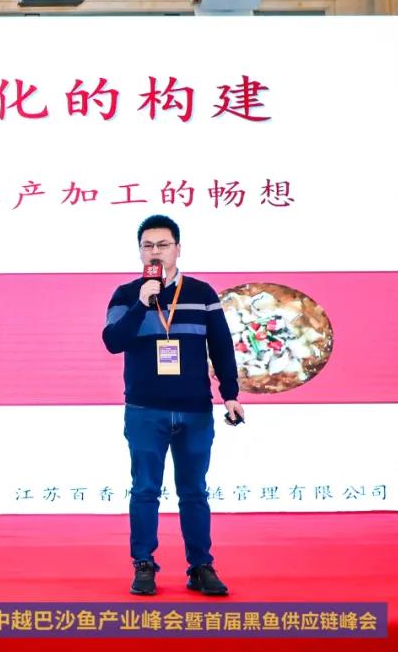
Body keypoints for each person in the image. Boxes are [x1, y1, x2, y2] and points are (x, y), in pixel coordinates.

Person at [102, 214, 245, 596]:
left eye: (163, 245)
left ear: (177, 249)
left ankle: (201, 566)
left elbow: (221, 345)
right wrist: (142, 304)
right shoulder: (126, 294)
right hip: (145, 410)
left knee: (194, 491)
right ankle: (143, 564)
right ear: (140, 252)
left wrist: (230, 393)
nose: (156, 251)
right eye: (148, 246)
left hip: (195, 410)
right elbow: (113, 341)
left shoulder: (201, 292)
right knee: (145, 490)